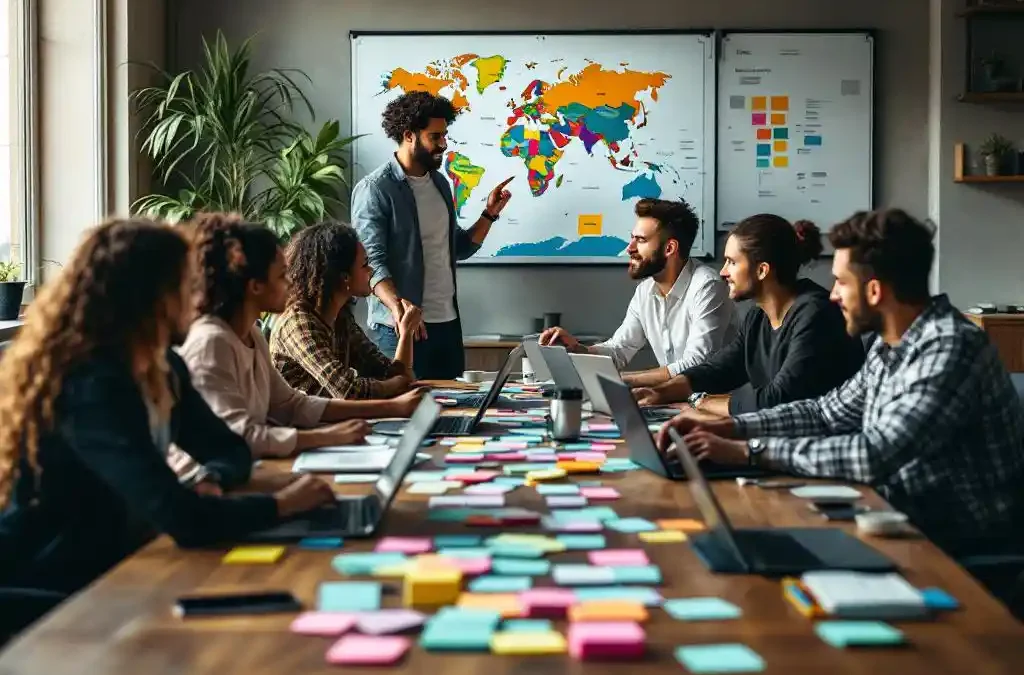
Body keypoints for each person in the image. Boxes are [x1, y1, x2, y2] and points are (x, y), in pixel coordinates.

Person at [656, 208, 1024, 561]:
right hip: (892, 518)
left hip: (955, 545)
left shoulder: (949, 348)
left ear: (875, 291)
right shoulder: (891, 342)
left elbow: (874, 454)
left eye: (842, 282)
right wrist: (727, 427)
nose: (831, 294)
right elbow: (825, 414)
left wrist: (744, 450)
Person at [0, 219, 337, 601]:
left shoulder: (164, 367)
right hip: (54, 578)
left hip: (123, 562)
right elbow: (180, 516)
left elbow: (231, 451)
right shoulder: (89, 386)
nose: (196, 298)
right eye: (185, 286)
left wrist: (210, 479)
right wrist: (281, 504)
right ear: (152, 296)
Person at [179, 213, 425, 459]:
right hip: (221, 479)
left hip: (260, 460)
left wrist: (393, 406)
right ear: (255, 286)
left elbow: (291, 404)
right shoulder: (212, 342)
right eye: (281, 276)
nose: (291, 281)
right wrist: (331, 436)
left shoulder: (250, 334)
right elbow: (242, 437)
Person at [352, 90, 515, 379]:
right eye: (435, 137)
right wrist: (399, 308)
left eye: (444, 135)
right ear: (409, 135)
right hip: (399, 328)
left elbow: (458, 248)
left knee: (455, 412)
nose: (443, 144)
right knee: (401, 414)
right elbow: (371, 263)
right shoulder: (375, 189)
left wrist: (489, 214)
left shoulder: (440, 183)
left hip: (447, 326)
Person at [634, 214, 864, 415]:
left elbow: (778, 399)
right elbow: (719, 370)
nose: (723, 272)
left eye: (731, 262)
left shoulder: (816, 314)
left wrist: (700, 401)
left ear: (762, 270)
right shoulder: (758, 317)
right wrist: (658, 393)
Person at [540, 198, 737, 386]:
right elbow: (619, 350)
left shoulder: (708, 287)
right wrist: (577, 349)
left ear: (669, 248)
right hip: (675, 401)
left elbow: (695, 365)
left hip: (717, 406)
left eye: (640, 240)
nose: (629, 248)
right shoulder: (645, 291)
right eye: (632, 238)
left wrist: (621, 380)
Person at [270, 221, 420, 399]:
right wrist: (396, 384)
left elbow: (390, 373)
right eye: (364, 265)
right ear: (344, 277)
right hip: (300, 424)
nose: (371, 271)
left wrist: (406, 333)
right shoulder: (298, 323)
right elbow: (348, 391)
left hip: (332, 422)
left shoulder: (341, 318)